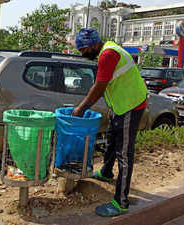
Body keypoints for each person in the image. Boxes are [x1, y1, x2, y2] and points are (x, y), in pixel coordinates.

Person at [72, 28, 148, 217]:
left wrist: (80, 108)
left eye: (84, 49)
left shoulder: (108, 54)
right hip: (120, 105)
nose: (83, 53)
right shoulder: (107, 50)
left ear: (94, 44)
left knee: (124, 152)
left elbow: (99, 87)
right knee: (111, 141)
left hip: (131, 104)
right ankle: (106, 172)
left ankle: (121, 201)